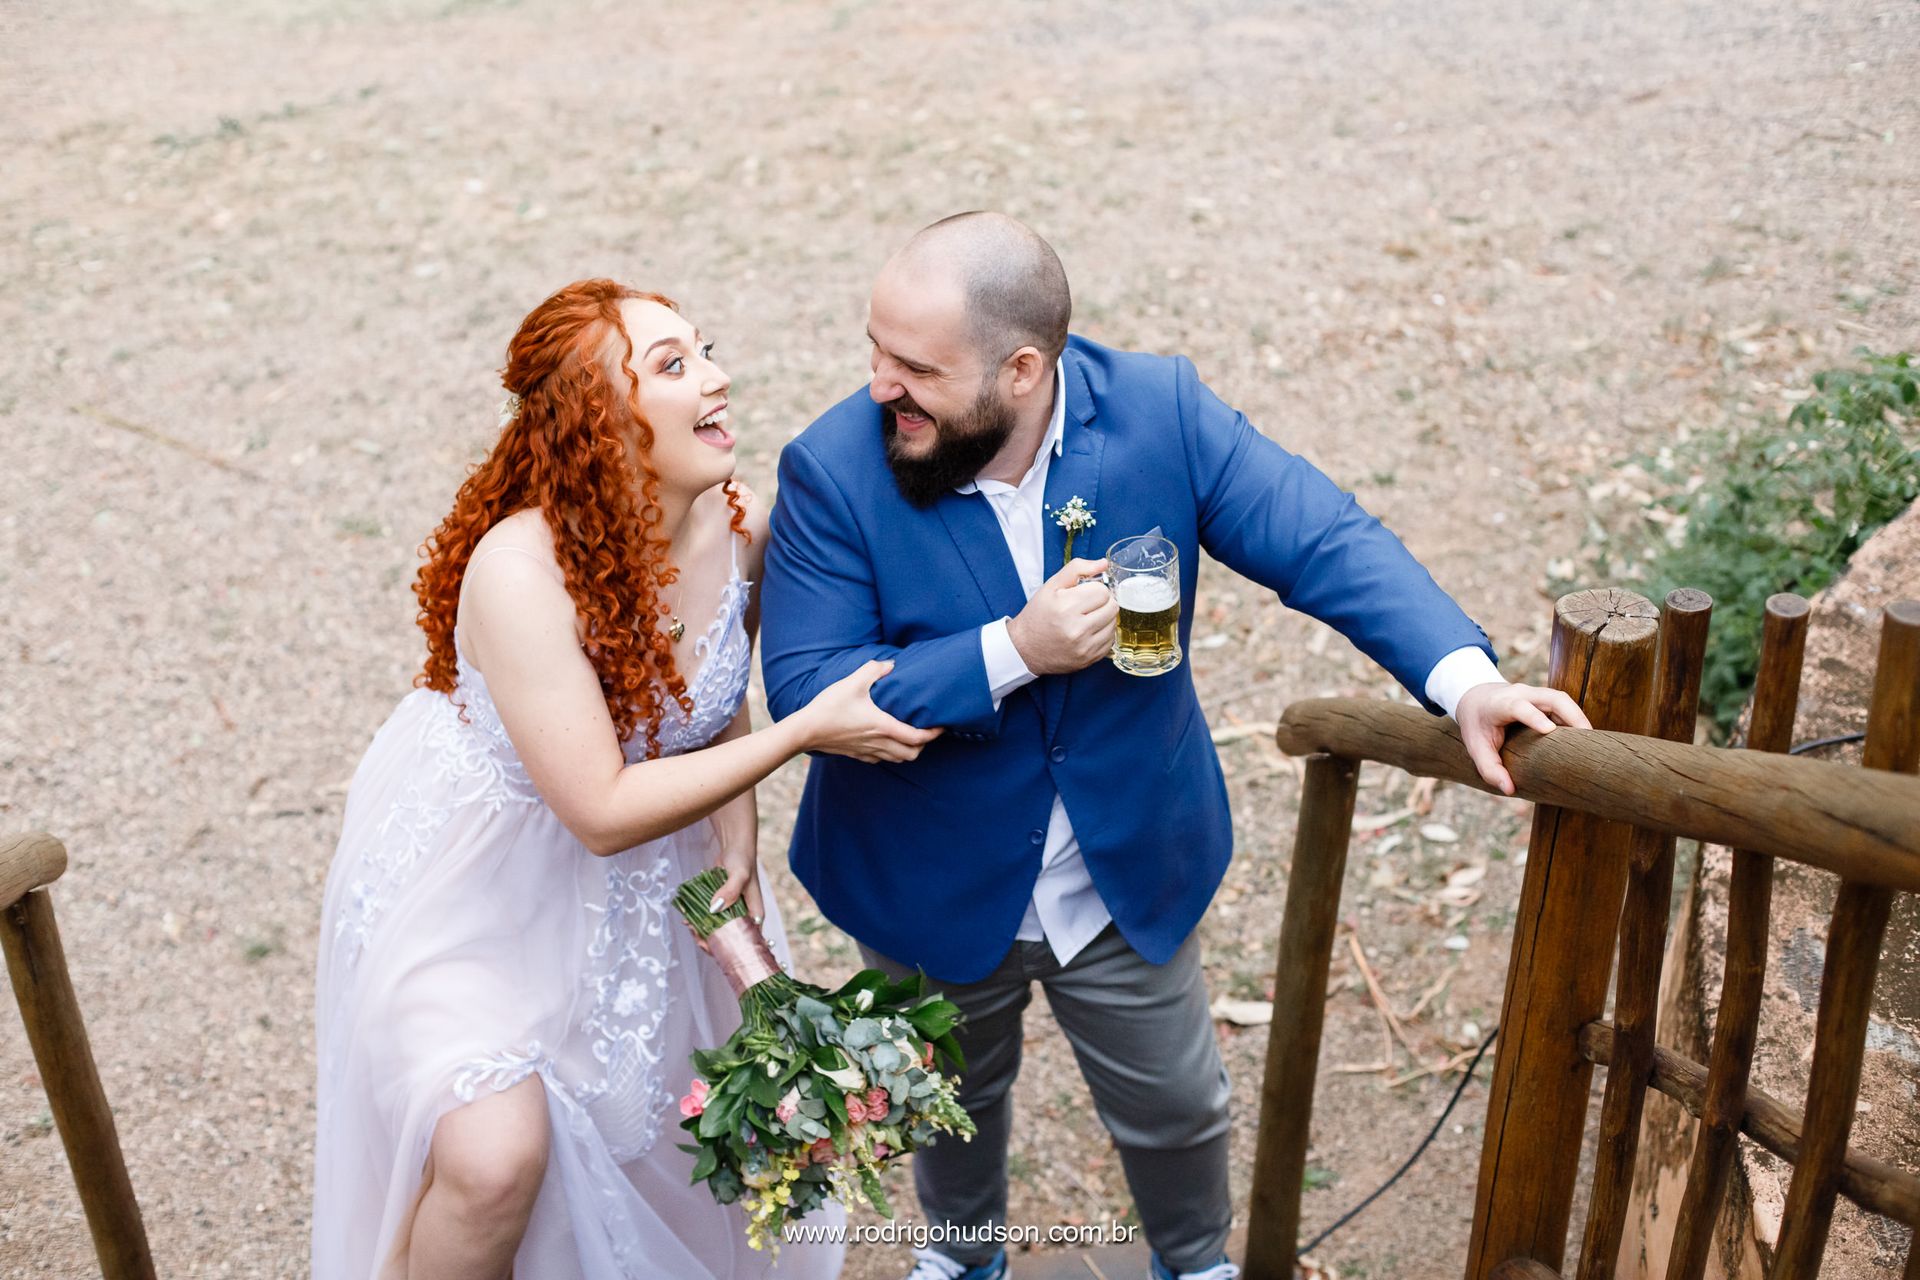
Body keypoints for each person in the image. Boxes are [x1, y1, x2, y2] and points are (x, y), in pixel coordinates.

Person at [758, 214, 1590, 1280]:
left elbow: (1321, 536)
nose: (881, 385)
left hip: (1123, 866)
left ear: (1023, 370)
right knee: (943, 1100)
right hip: (924, 878)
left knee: (1179, 1107)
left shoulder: (1163, 413)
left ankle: (1194, 1261)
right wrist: (1013, 650)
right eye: (876, 350)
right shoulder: (832, 467)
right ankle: (961, 1258)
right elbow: (809, 688)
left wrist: (1466, 682)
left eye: (917, 367)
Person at [313, 279, 935, 1279]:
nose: (717, 377)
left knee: (649, 1154)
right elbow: (600, 809)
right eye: (674, 365)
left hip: (654, 877)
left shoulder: (742, 527)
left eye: (706, 350)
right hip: (482, 888)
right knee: (495, 1159)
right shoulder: (521, 573)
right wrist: (806, 732)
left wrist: (735, 832)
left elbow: (713, 688)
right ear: (600, 418)